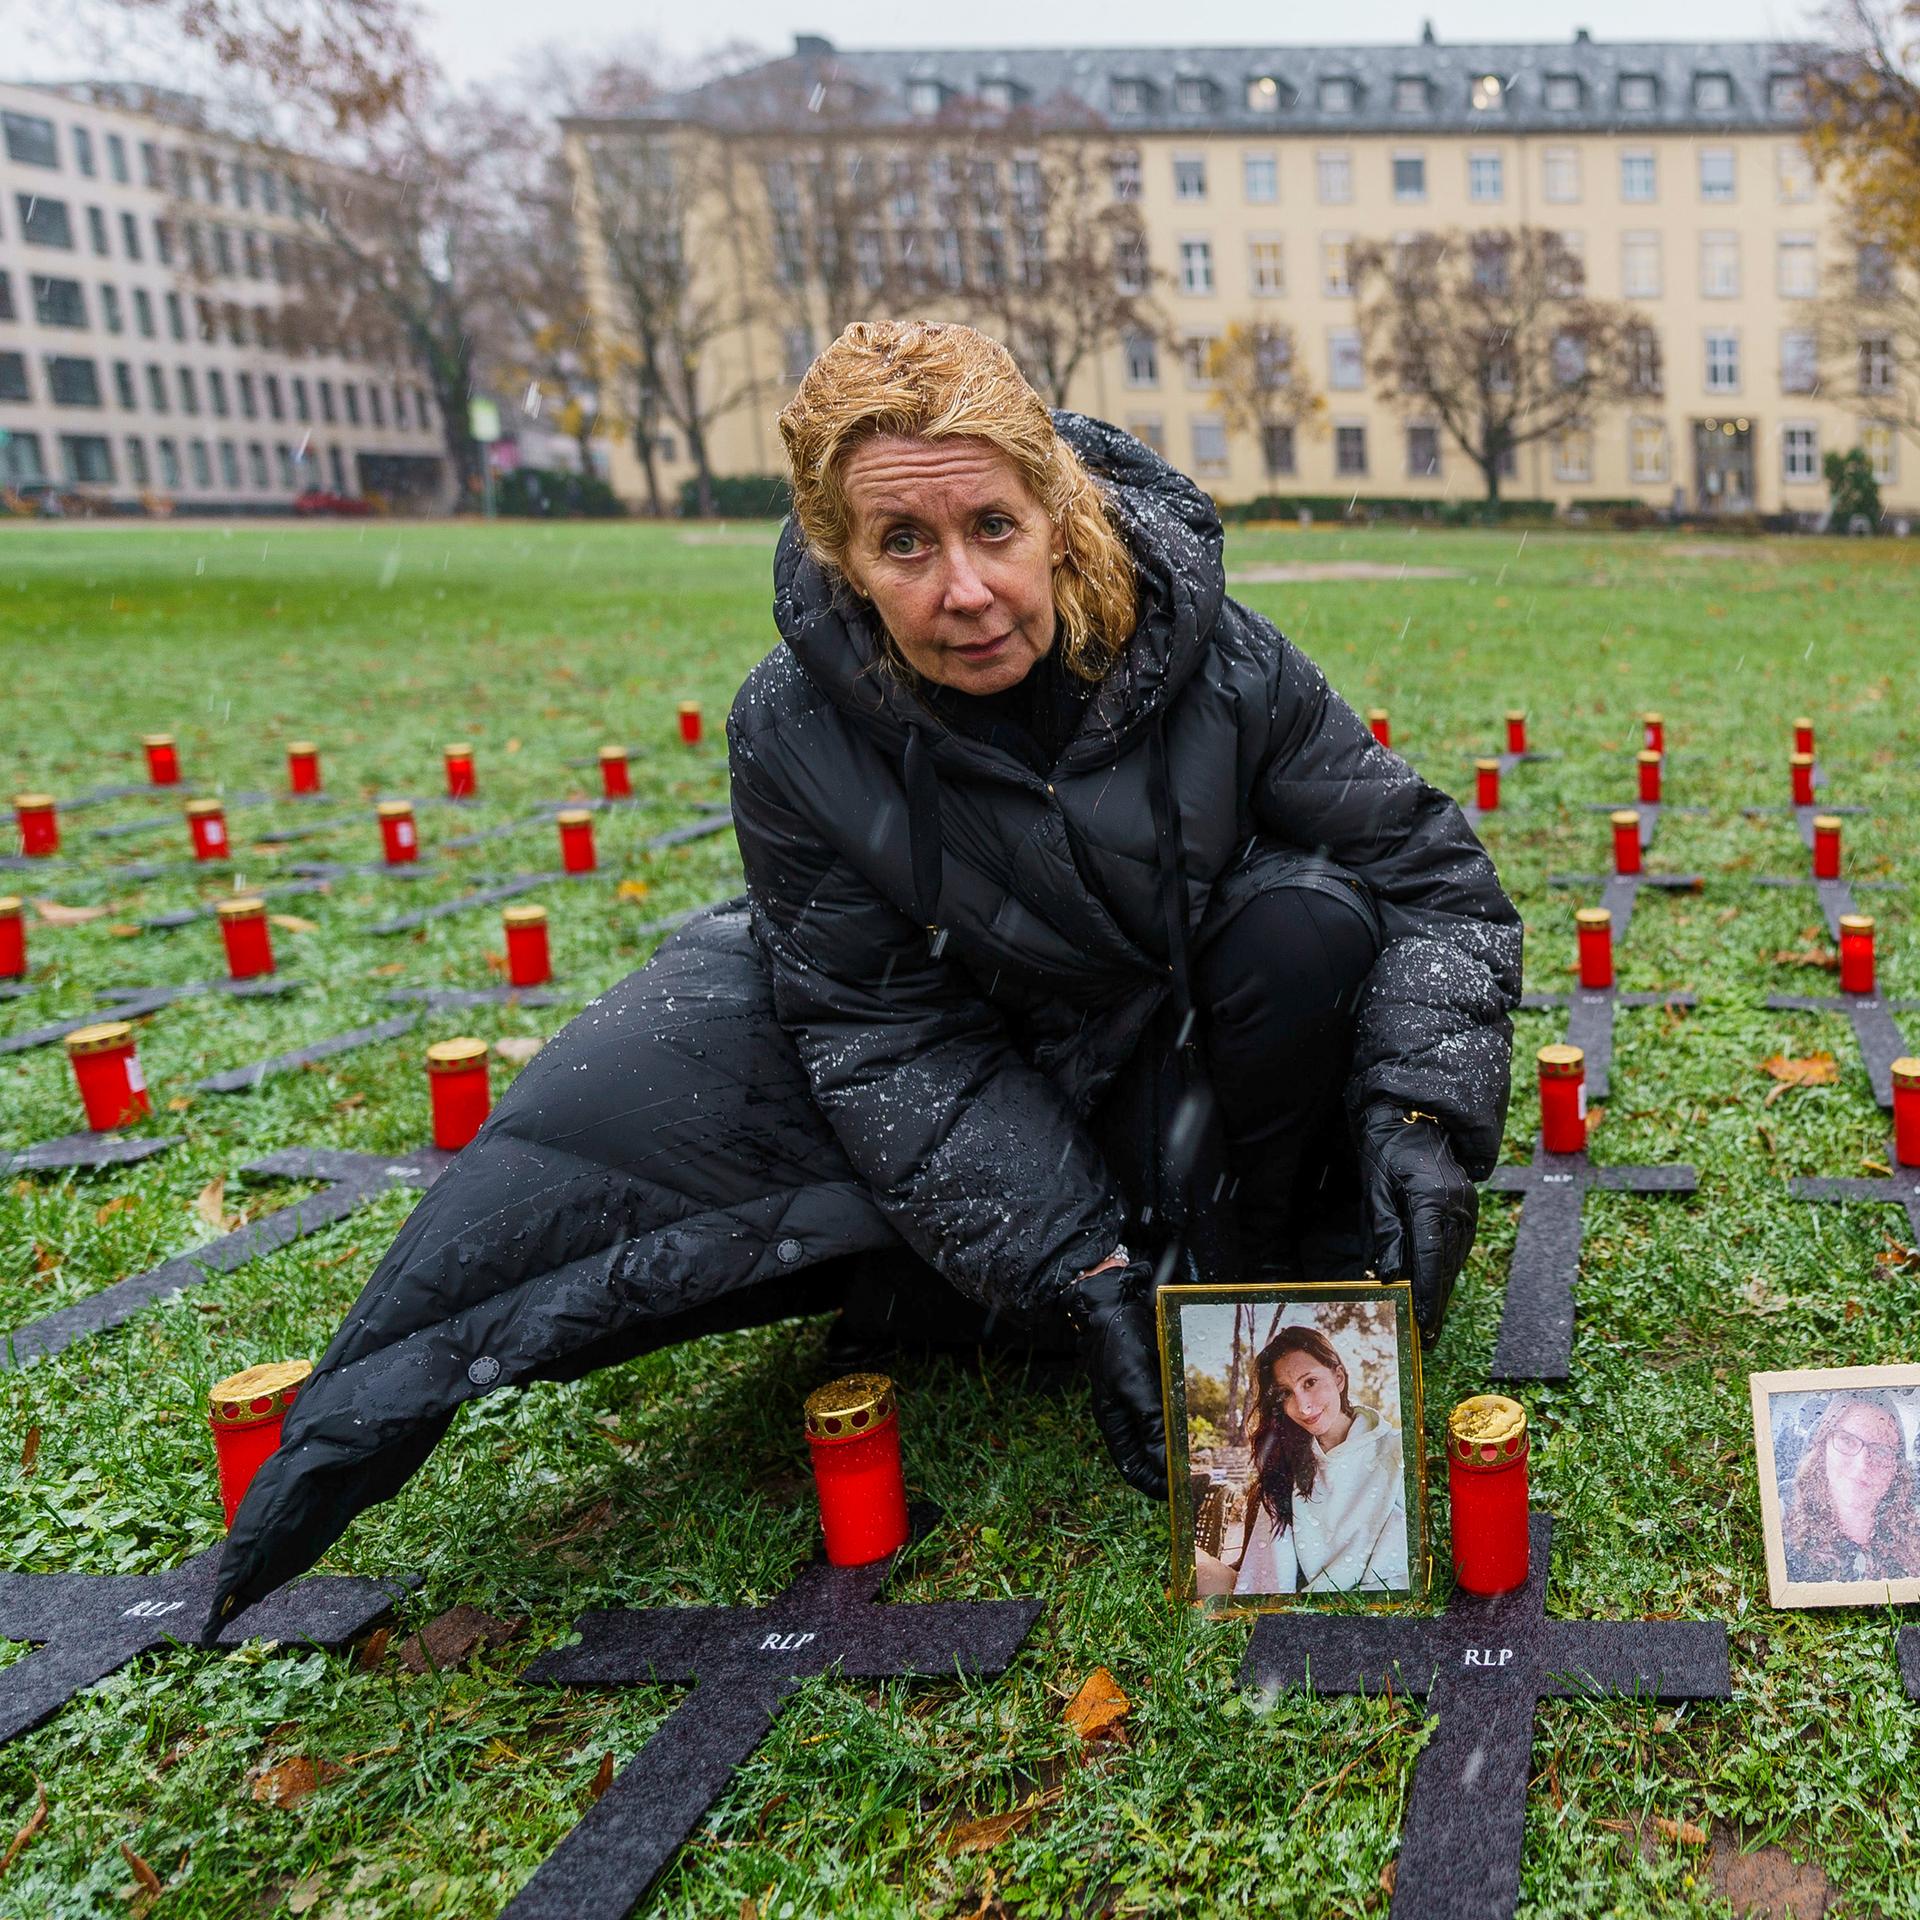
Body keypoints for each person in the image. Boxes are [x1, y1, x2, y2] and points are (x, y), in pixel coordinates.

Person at [205, 320, 1519, 1631]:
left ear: (1055, 513)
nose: (965, 591)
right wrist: (1084, 1272)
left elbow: (1428, 876)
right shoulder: (791, 731)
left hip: (1216, 1067)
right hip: (1011, 1082)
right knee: (668, 1110)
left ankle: (1248, 1254)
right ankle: (1094, 1272)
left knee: (1309, 924)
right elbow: (880, 1028)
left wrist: (1417, 1120)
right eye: (905, 545)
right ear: (842, 556)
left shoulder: (1217, 651)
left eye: (993, 528)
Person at [1229, 1326, 1408, 1595]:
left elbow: (1399, 1572)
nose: (1303, 1407)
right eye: (1286, 1393)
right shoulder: (1284, 1463)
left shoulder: (1397, 1449)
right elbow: (1268, 1580)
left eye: (1309, 1382)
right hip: (1297, 1608)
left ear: (1338, 1377)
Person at [1781, 1391, 1920, 1585]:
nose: (1862, 1464)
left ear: (1896, 1469)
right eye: (1847, 1440)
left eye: (1881, 1450)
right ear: (1823, 1450)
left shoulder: (1915, 1538)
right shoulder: (1781, 1529)